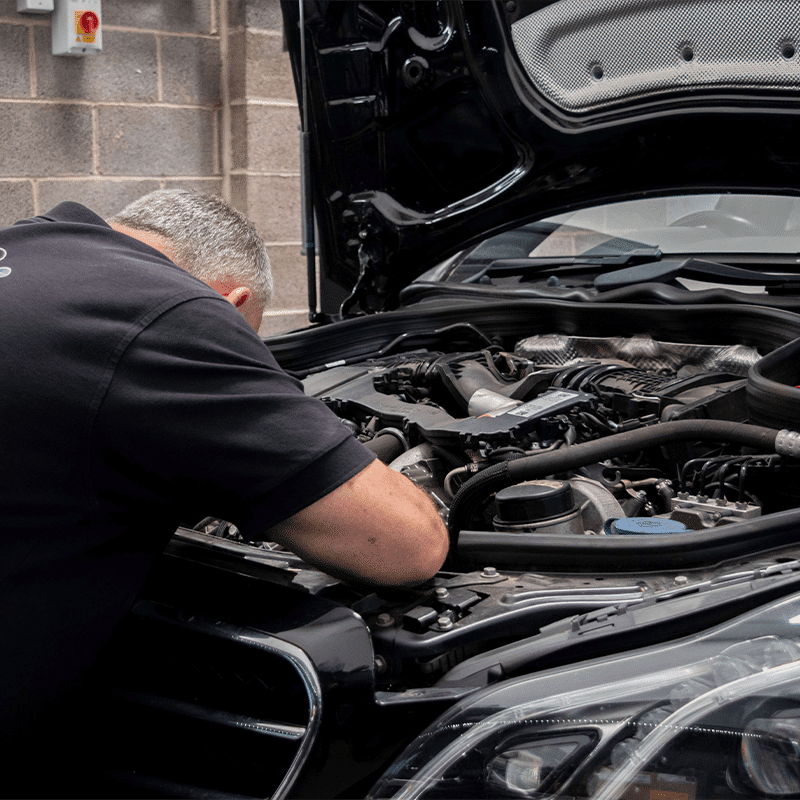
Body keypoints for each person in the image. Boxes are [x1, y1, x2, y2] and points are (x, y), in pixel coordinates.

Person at [0, 189, 448, 796]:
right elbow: (408, 547)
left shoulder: (23, 249)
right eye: (248, 340)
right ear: (232, 303)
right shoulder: (165, 310)